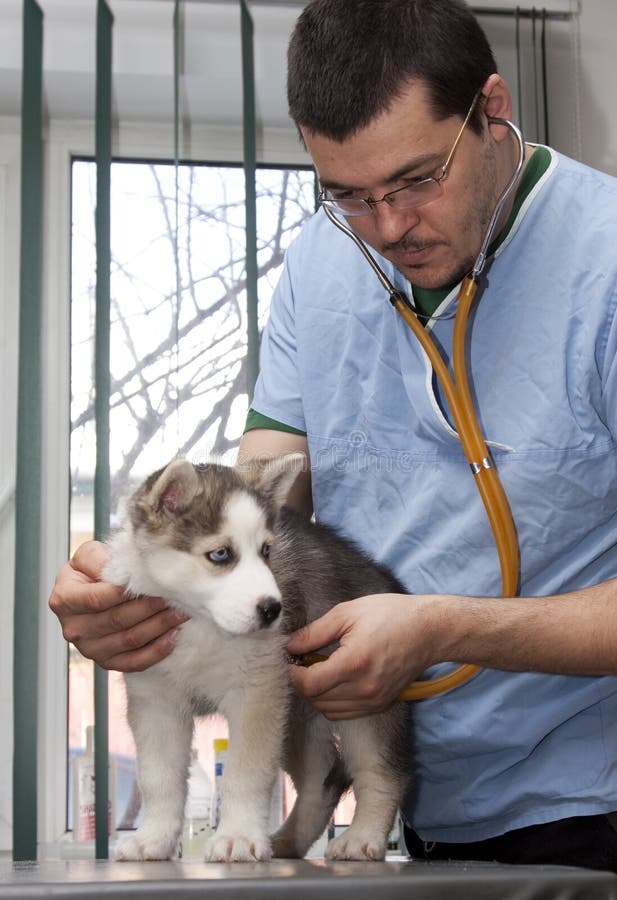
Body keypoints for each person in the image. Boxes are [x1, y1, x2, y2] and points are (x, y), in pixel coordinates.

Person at [49, 0, 617, 872]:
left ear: (492, 108)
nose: (386, 228)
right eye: (347, 193)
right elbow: (261, 499)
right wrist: (138, 593)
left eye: (417, 180)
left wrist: (438, 629)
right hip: (420, 813)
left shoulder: (603, 260)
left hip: (591, 803)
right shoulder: (321, 259)